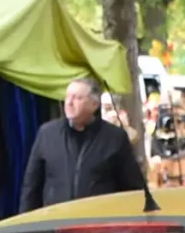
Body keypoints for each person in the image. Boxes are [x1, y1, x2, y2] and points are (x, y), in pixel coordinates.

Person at [20, 76, 145, 210]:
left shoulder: (114, 138)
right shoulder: (47, 134)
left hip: (97, 222)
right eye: (68, 97)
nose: (69, 102)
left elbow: (133, 187)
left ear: (94, 104)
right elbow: (31, 186)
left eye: (77, 98)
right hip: (56, 221)